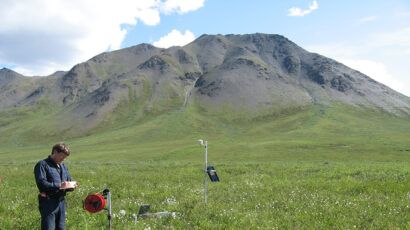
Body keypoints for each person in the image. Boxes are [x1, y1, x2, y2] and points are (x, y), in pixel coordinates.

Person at [34, 142, 77, 230]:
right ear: (55, 152)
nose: (63, 159)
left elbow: (68, 181)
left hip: (61, 203)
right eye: (62, 156)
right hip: (48, 202)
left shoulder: (63, 166)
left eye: (65, 157)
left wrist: (72, 186)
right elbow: (41, 184)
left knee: (61, 228)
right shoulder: (42, 164)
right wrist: (59, 185)